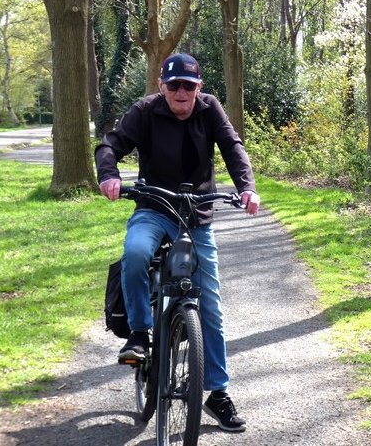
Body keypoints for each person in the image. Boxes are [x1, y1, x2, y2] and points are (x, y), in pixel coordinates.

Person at [95, 52, 260, 433]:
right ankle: (139, 334)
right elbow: (110, 146)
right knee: (135, 254)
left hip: (197, 214)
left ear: (199, 88)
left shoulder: (210, 109)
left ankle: (217, 393)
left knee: (211, 306)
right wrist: (109, 175)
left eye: (189, 85)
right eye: (174, 86)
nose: (181, 92)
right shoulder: (145, 111)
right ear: (162, 87)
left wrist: (247, 189)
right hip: (154, 209)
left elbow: (233, 148)